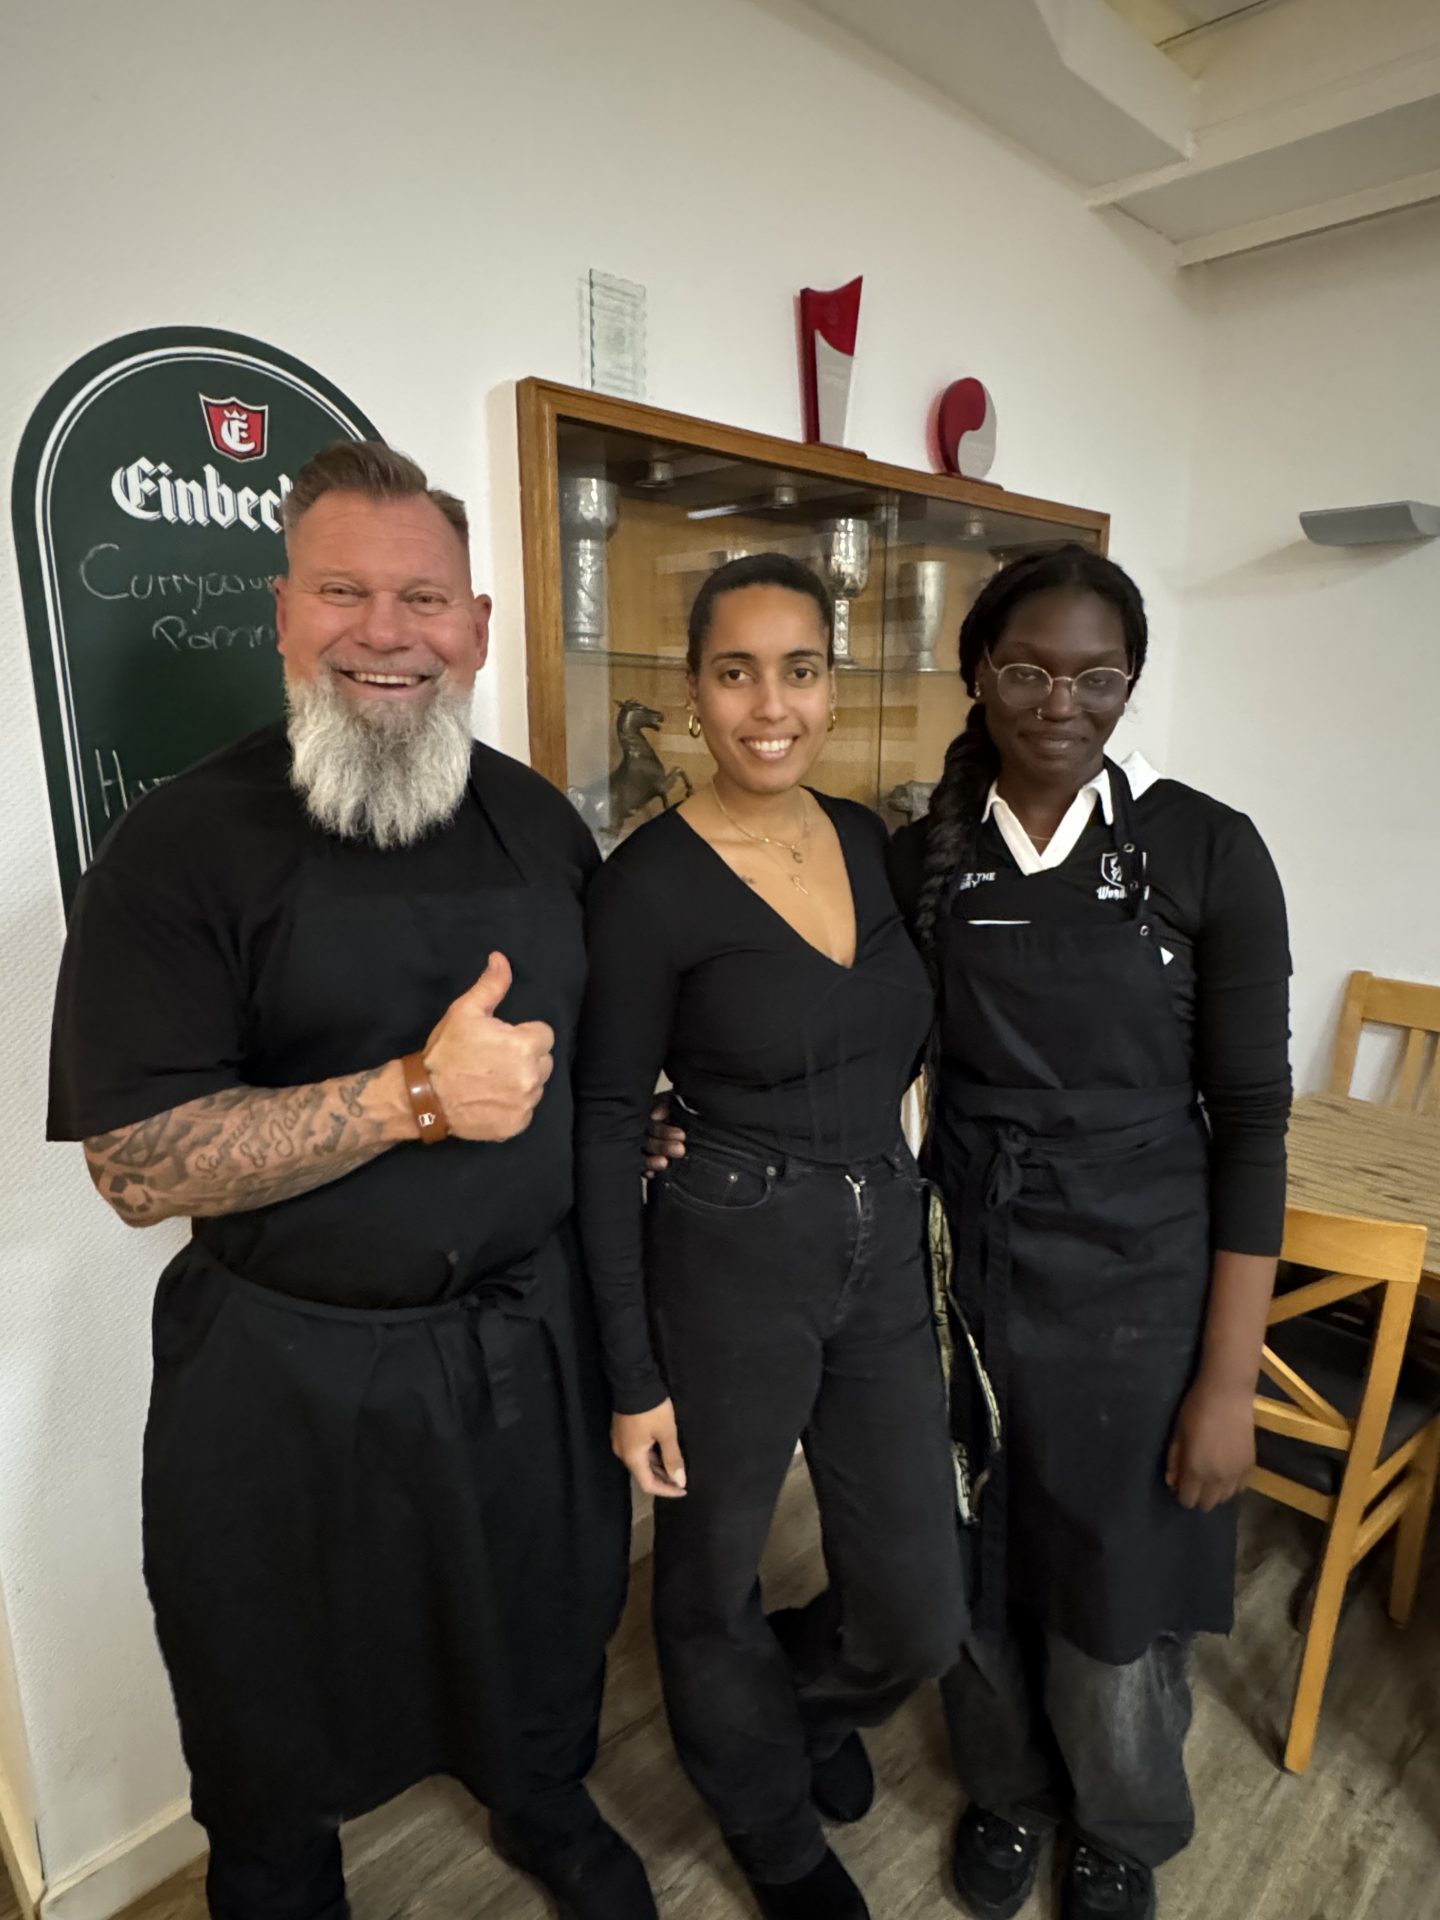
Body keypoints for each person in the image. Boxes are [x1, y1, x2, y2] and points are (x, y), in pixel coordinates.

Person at [47, 442, 654, 1920]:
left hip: (529, 1342)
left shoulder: (542, 824)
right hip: (286, 1377)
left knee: (541, 1622)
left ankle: (544, 1804)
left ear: (479, 627)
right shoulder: (176, 845)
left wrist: (651, 1131)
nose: (387, 632)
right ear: (282, 614)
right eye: (343, 592)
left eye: (424, 598)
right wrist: (413, 1099)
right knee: (267, 1689)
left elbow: (593, 1065)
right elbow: (136, 1166)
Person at [887, 544, 1292, 1920]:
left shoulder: (1206, 848)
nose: (1061, 703)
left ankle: (1121, 1822)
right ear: (977, 675)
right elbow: (845, 1043)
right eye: (1027, 671)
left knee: (1114, 1579)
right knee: (974, 1550)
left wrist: (1229, 1383)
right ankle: (1004, 1789)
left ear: (1129, 686)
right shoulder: (922, 857)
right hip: (964, 1264)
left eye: (1096, 677)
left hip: (1142, 1281)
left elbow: (1252, 1121)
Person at [575, 553, 965, 1920]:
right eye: (734, 672)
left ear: (832, 687)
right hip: (728, 1251)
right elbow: (604, 1123)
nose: (769, 705)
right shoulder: (647, 887)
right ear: (693, 693)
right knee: (708, 1578)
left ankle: (800, 1701)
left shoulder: (868, 840)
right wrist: (633, 1376)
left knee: (918, 1603)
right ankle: (770, 1828)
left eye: (798, 670)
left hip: (880, 1234)